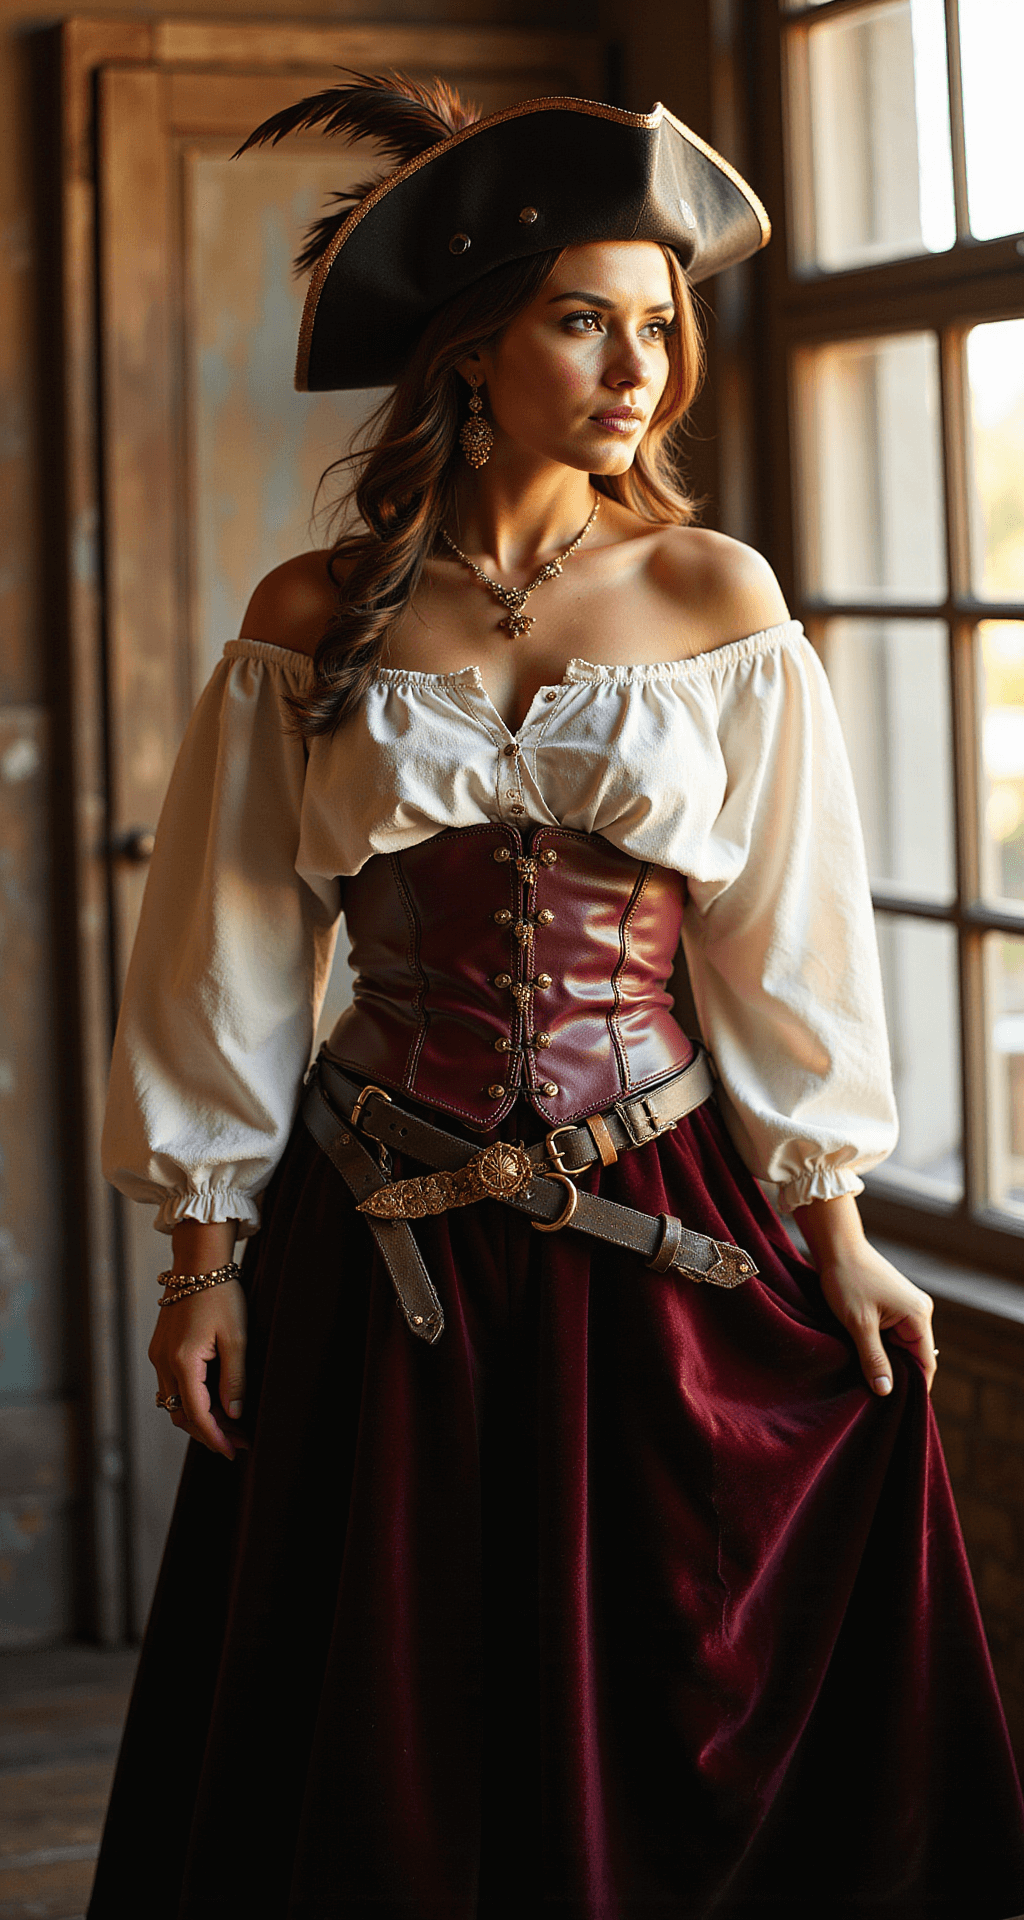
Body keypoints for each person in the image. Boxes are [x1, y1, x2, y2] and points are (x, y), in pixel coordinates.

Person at [88, 72, 1024, 1920]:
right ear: (467, 350)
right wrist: (204, 1262)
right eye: (587, 318)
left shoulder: (713, 594)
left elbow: (787, 939)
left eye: (661, 324)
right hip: (374, 1243)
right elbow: (229, 962)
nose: (641, 368)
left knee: (671, 1687)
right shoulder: (314, 615)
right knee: (393, 1706)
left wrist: (834, 1225)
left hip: (662, 1225)